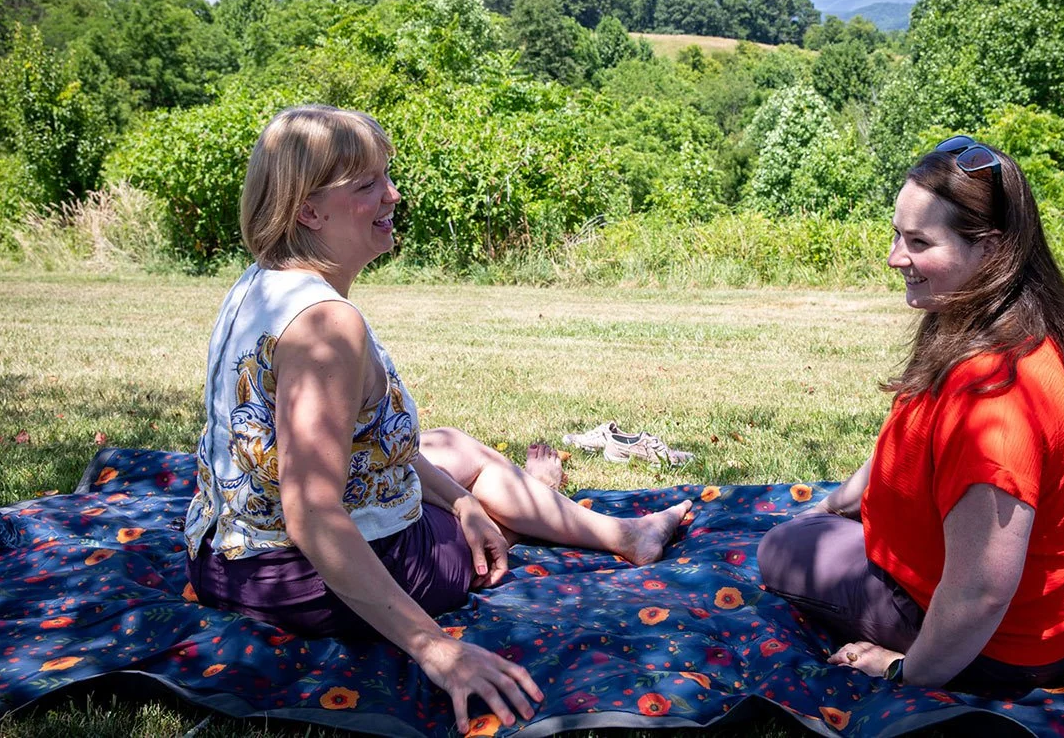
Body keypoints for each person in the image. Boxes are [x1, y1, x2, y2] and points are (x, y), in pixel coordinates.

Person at [182, 105, 692, 733]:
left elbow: (372, 447)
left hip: (221, 555)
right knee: (475, 517)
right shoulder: (326, 326)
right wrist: (437, 649)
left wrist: (457, 500)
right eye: (367, 184)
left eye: (386, 176)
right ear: (307, 211)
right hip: (300, 578)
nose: (393, 194)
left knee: (450, 449)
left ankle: (589, 525)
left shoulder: (260, 285)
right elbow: (311, 514)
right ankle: (548, 511)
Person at [758, 135, 1064, 692]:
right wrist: (837, 506)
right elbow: (904, 444)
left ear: (991, 249)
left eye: (919, 241)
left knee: (782, 548)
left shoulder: (993, 408)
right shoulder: (998, 318)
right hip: (1056, 609)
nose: (895, 257)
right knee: (812, 528)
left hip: (1006, 645)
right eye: (897, 234)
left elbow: (982, 592)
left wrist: (905, 670)